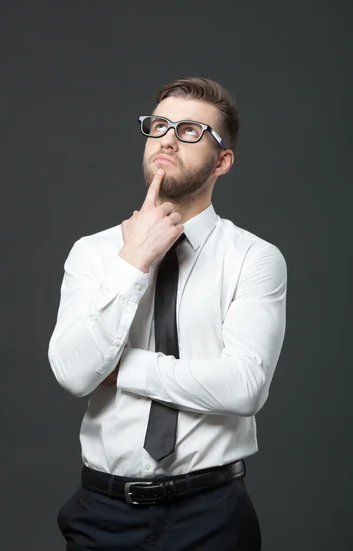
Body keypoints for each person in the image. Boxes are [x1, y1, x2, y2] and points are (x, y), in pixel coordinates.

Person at [48, 76, 287, 550]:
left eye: (191, 130)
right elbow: (74, 375)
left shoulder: (254, 259)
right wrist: (132, 263)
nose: (169, 138)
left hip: (212, 514)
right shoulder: (94, 254)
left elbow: (244, 387)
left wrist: (123, 368)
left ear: (223, 161)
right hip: (103, 515)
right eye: (159, 125)